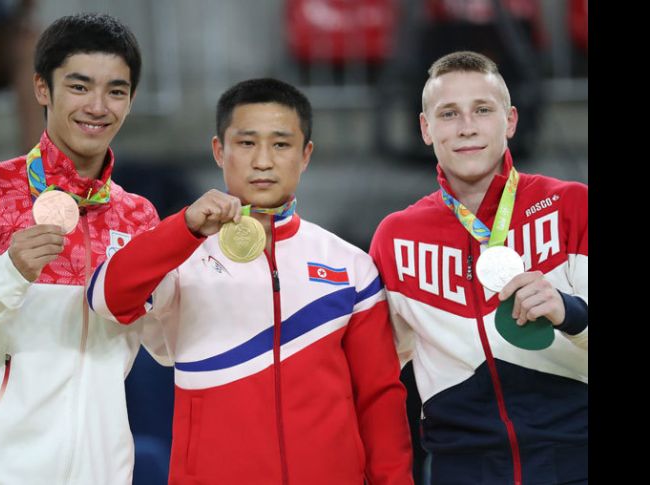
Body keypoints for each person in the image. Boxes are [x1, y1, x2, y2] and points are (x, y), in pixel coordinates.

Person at [88, 78, 414, 484]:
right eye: (246, 143)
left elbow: (379, 398)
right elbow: (106, 298)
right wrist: (184, 228)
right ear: (218, 151)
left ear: (305, 154)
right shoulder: (180, 255)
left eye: (281, 144)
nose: (263, 160)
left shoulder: (351, 266)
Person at [0, 13, 159, 484]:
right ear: (43, 88)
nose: (98, 107)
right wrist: (11, 272)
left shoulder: (139, 217)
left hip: (101, 472)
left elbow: (163, 347)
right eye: (79, 87)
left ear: (131, 99)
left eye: (116, 91)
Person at [369, 51, 587, 485]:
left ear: (510, 121)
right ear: (426, 130)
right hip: (461, 471)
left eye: (482, 110)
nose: (466, 126)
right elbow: (376, 382)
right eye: (448, 114)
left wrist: (571, 313)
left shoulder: (572, 206)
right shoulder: (395, 238)